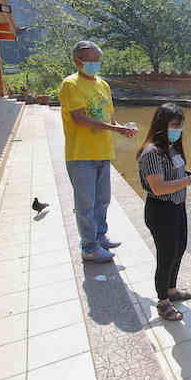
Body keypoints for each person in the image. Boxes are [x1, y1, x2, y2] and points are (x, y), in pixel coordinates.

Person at [59, 40, 137, 262]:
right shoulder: (70, 84)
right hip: (81, 154)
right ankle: (89, 247)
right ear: (77, 61)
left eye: (97, 60)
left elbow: (108, 116)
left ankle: (100, 236)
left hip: (103, 151)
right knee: (85, 204)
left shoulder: (103, 84)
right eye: (90, 60)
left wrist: (121, 129)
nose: (94, 64)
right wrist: (114, 127)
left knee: (103, 200)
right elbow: (80, 118)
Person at [137, 103, 191, 321]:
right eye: (174, 125)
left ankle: (172, 290)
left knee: (179, 249)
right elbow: (158, 186)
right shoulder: (151, 152)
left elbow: (173, 174)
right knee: (166, 255)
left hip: (177, 206)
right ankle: (162, 302)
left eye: (180, 126)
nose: (178, 130)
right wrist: (189, 180)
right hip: (160, 210)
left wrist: (190, 177)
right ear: (161, 125)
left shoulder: (172, 147)